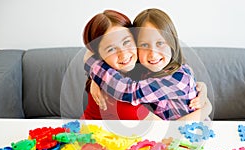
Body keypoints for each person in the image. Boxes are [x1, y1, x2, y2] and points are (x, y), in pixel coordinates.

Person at [83, 9, 211, 120]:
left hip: (192, 134)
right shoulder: (141, 72)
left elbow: (128, 90)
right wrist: (95, 77)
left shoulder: (178, 77)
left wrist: (205, 102)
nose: (153, 54)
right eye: (144, 45)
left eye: (160, 43)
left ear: (172, 43)